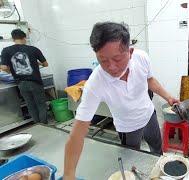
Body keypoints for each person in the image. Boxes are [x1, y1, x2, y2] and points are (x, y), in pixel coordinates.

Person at [63, 22, 179, 179]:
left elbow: (149, 80)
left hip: (148, 115)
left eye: (117, 58)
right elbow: (77, 134)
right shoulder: (96, 83)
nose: (111, 67)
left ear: (130, 52)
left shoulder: (141, 58)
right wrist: (69, 174)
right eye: (102, 60)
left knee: (157, 151)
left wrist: (169, 97)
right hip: (127, 127)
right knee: (130, 161)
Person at [0, 29, 49, 124]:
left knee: (30, 105)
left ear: (13, 39)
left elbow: (3, 67)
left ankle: (38, 125)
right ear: (24, 38)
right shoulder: (33, 49)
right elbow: (46, 64)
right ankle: (44, 124)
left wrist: (11, 70)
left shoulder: (6, 50)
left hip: (21, 83)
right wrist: (37, 63)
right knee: (41, 104)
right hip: (35, 82)